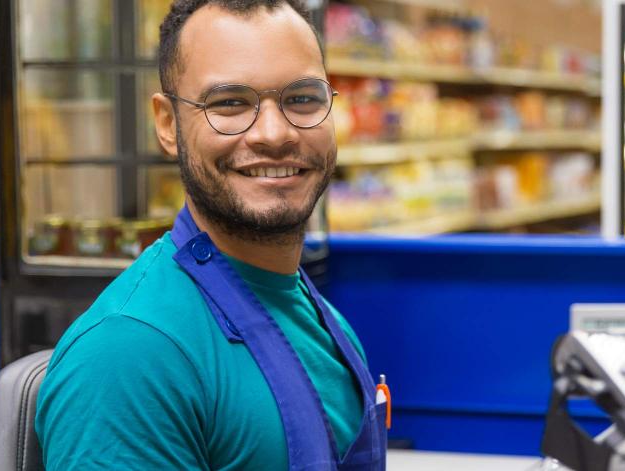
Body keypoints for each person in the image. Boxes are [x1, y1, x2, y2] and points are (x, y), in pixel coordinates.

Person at [34, 1, 387, 469]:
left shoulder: (328, 324)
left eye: (303, 97)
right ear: (168, 125)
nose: (274, 133)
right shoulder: (129, 358)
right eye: (230, 103)